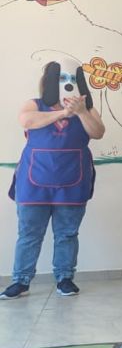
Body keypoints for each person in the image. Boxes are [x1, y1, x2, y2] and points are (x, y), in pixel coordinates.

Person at [1, 60, 105, 300]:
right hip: (33, 180)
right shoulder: (34, 104)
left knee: (67, 233)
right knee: (29, 233)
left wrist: (80, 112)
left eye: (72, 79)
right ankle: (21, 281)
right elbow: (26, 121)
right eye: (62, 79)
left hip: (74, 179)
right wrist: (63, 112)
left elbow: (98, 132)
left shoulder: (88, 108)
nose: (67, 84)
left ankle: (65, 278)